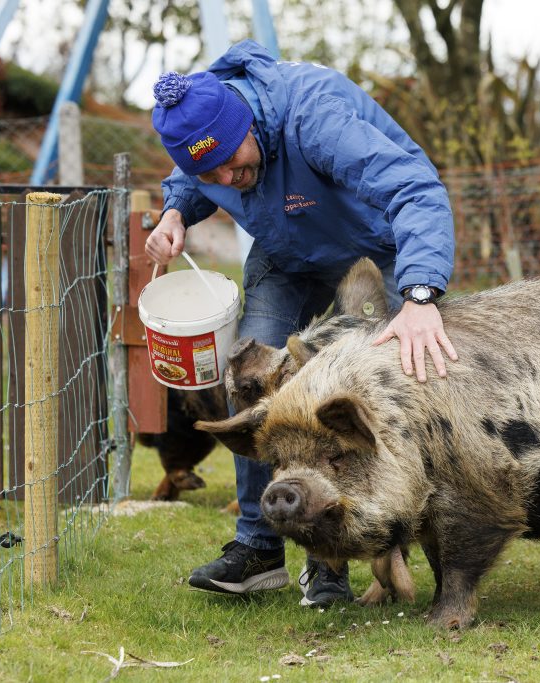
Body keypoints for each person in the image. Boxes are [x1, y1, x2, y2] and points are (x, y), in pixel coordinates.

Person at [146, 39, 457, 607]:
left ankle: (365, 546)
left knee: (383, 385)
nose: (225, 177)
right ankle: (259, 548)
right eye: (207, 170)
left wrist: (419, 294)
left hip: (377, 246)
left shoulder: (314, 116)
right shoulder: (210, 146)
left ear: (244, 120)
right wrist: (173, 212)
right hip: (286, 251)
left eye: (229, 159)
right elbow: (191, 176)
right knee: (252, 377)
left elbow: (414, 188)